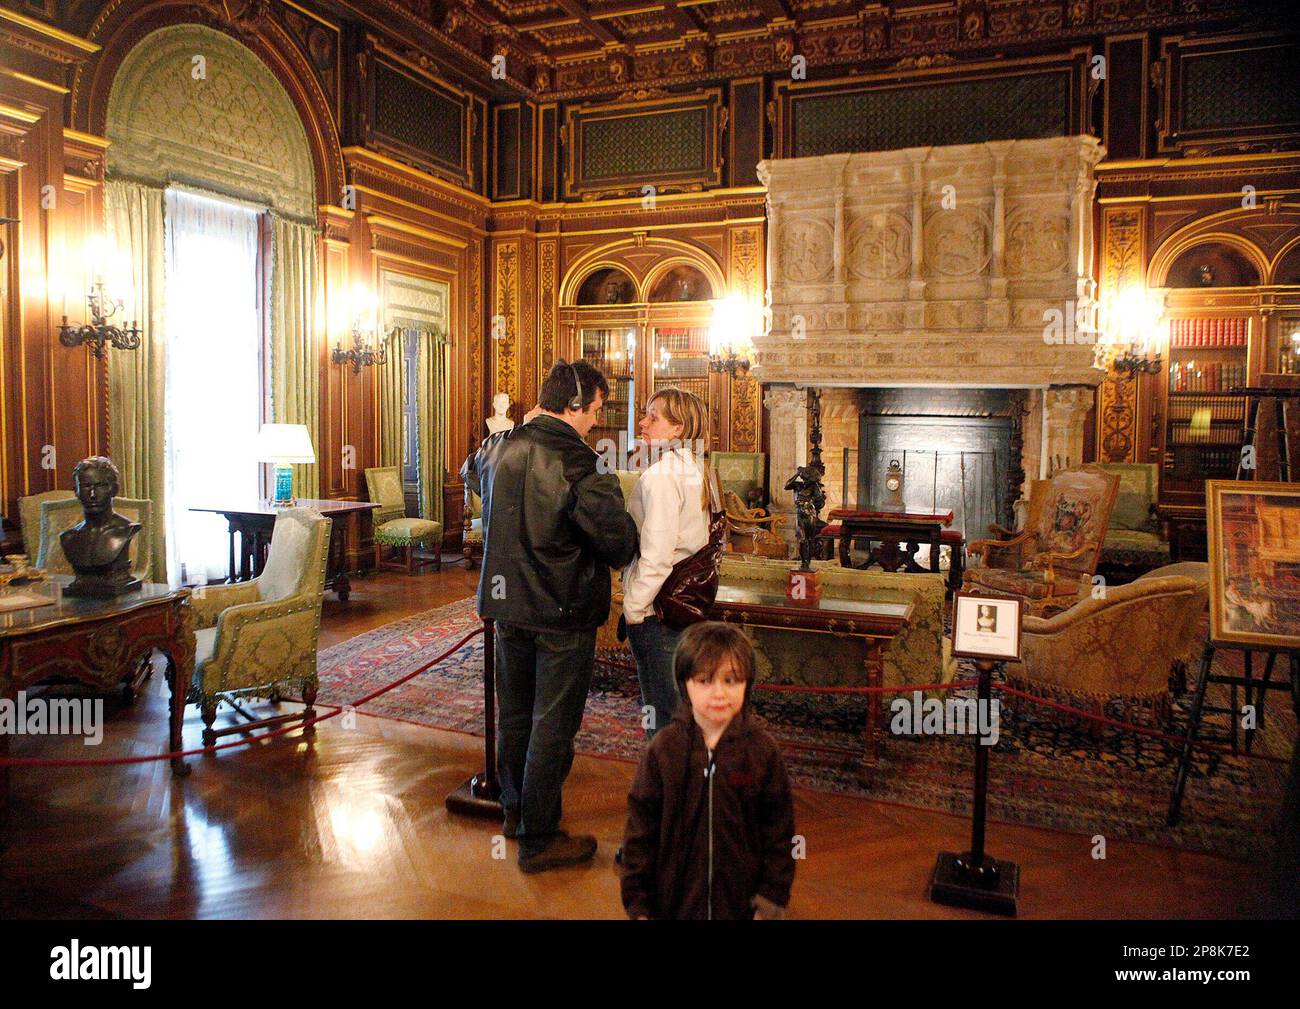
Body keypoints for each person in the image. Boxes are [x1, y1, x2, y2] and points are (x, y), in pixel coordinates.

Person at [461, 360, 638, 873]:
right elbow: (617, 542)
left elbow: (471, 475)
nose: (595, 423)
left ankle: (517, 818)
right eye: (595, 412)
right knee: (553, 724)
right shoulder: (583, 463)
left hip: (505, 608)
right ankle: (539, 839)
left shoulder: (498, 446)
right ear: (574, 406)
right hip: (562, 611)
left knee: (515, 715)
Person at [621, 621, 796, 920]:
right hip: (673, 904)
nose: (719, 694)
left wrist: (771, 896)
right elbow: (640, 832)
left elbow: (779, 831)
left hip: (742, 904)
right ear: (684, 683)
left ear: (747, 684)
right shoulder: (664, 751)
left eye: (731, 681)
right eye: (705, 681)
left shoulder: (762, 752)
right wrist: (638, 902)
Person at [622, 388, 711, 737]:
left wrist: (634, 607)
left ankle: (666, 787)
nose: (642, 422)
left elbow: (657, 555)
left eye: (653, 416)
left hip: (657, 610)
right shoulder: (696, 468)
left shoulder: (661, 476)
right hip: (686, 604)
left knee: (661, 720)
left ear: (678, 428)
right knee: (680, 713)